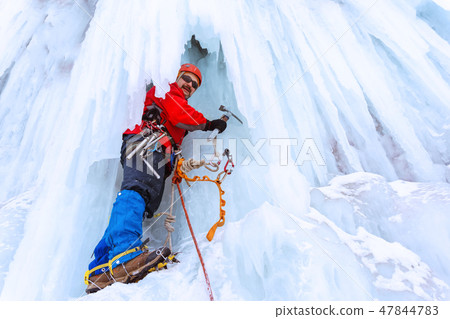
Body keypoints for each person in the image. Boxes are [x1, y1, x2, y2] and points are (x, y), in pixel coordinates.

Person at [84, 64, 227, 293]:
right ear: (177, 77)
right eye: (186, 79)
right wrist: (209, 123)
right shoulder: (168, 90)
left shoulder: (172, 99)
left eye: (194, 84)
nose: (189, 85)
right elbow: (180, 113)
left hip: (150, 148)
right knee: (137, 190)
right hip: (147, 143)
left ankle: (101, 269)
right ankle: (123, 255)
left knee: (134, 193)